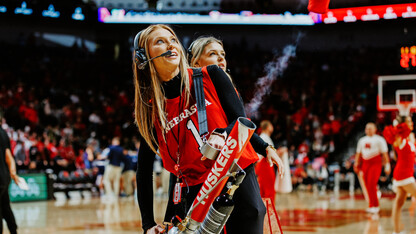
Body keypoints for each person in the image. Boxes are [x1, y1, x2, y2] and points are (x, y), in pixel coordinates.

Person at [133, 25, 284, 234]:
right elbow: (145, 169)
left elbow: (241, 120)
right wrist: (148, 224)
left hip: (234, 177)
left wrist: (227, 136)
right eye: (160, 41)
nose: (170, 44)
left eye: (173, 39)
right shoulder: (152, 110)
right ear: (143, 57)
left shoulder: (212, 75)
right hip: (196, 194)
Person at [383, 116, 415, 234]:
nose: (411, 123)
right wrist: (399, 123)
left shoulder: (409, 138)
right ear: (402, 125)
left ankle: (396, 232)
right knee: (399, 202)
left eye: (411, 121)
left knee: (399, 203)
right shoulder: (399, 138)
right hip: (403, 175)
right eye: (409, 122)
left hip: (407, 173)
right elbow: (390, 132)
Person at [354, 122, 391, 214]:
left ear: (375, 129)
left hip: (375, 163)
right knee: (367, 184)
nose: (368, 130)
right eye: (367, 128)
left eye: (370, 128)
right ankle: (371, 204)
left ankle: (376, 205)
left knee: (371, 183)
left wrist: (387, 165)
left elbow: (385, 154)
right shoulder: (362, 140)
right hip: (365, 164)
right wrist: (356, 164)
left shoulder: (380, 140)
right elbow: (358, 154)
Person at [0, 113, 19, 234]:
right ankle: (14, 231)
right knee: (5, 206)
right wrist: (13, 173)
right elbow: (9, 156)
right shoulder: (3, 133)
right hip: (4, 177)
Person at [102, 137, 125, 201]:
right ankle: (116, 195)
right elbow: (123, 158)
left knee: (106, 180)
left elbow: (109, 157)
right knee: (116, 181)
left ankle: (109, 194)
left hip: (111, 166)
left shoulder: (111, 148)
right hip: (118, 167)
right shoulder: (121, 149)